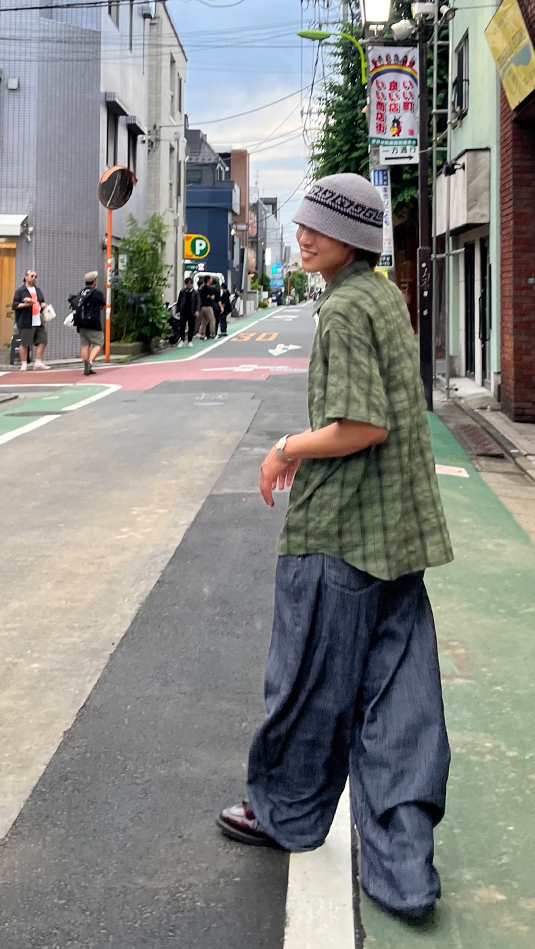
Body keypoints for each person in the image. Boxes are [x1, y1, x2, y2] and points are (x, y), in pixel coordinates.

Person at [217, 173, 454, 920]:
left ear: (353, 237)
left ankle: (283, 811)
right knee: (403, 705)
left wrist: (284, 449)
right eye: (302, 223)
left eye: (319, 226)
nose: (303, 235)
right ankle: (406, 870)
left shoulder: (346, 309)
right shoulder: (383, 297)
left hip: (343, 532)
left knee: (308, 686)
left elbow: (362, 426)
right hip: (400, 533)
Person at [12, 270, 50, 371]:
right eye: (32, 276)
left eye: (35, 277)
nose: (34, 278)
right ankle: (24, 363)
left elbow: (41, 301)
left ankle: (38, 362)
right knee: (25, 343)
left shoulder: (38, 290)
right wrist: (25, 304)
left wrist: (43, 305)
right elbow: (15, 305)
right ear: (26, 277)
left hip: (38, 319)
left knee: (43, 340)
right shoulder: (20, 291)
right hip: (26, 320)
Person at [72, 271, 106, 376]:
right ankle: (90, 363)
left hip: (81, 324)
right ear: (94, 282)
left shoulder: (81, 292)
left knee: (85, 345)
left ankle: (85, 365)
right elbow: (103, 306)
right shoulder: (97, 293)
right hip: (93, 323)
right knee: (98, 344)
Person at [175, 276, 199, 346]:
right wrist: (178, 311)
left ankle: (190, 340)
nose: (190, 285)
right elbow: (179, 301)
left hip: (192, 311)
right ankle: (182, 340)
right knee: (182, 325)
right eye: (188, 284)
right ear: (186, 284)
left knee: (191, 326)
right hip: (184, 311)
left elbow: (198, 302)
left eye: (191, 284)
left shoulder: (195, 292)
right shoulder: (182, 291)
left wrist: (197, 310)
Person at [197, 274, 216, 340]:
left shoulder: (202, 288)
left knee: (204, 321)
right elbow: (213, 297)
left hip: (202, 307)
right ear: (208, 280)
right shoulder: (209, 288)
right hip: (208, 306)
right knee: (212, 320)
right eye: (211, 279)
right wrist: (210, 296)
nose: (212, 280)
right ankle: (213, 334)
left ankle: (202, 334)